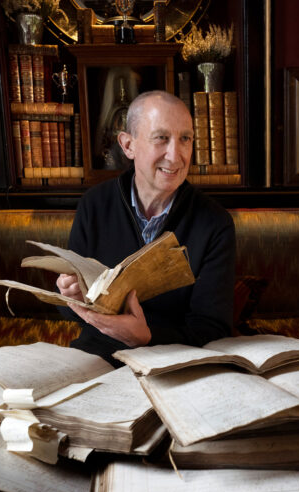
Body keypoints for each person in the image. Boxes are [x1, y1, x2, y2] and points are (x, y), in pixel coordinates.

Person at [56, 90, 235, 365]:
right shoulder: (94, 205)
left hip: (177, 365)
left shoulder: (215, 222)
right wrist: (72, 298)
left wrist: (147, 337)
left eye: (185, 139)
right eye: (161, 138)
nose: (175, 156)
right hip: (97, 360)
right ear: (128, 145)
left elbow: (213, 330)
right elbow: (70, 313)